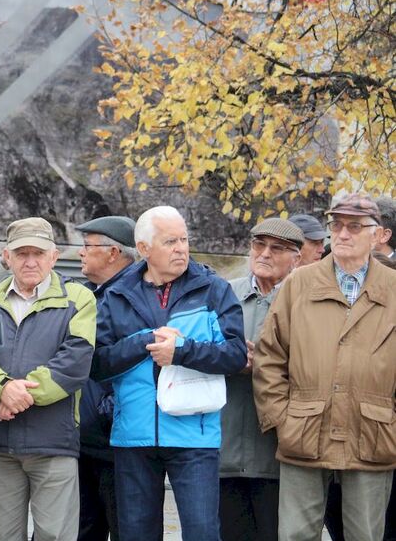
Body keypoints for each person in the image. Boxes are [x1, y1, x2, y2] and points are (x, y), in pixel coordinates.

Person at [91, 205, 246, 541]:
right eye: (170, 241)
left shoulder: (214, 289)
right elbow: (96, 364)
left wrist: (183, 351)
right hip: (134, 436)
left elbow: (235, 356)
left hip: (195, 436)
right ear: (144, 249)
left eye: (184, 239)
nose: (181, 248)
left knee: (203, 533)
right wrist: (144, 342)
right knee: (135, 535)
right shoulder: (115, 295)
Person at [253, 193, 395, 541]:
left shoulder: (393, 289)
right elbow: (269, 356)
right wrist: (281, 418)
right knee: (296, 534)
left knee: (366, 534)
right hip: (303, 428)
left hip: (373, 433)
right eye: (337, 225)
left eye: (354, 226)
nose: (342, 234)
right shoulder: (299, 284)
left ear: (377, 235)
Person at [0, 217, 96, 541]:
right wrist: (2, 388)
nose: (30, 261)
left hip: (54, 441)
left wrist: (17, 396)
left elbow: (75, 360)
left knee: (55, 536)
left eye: (38, 253)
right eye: (21, 253)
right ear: (6, 257)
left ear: (53, 257)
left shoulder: (78, 299)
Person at [219, 218, 303, 541]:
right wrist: (228, 357)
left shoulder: (305, 300)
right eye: (259, 245)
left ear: (296, 258)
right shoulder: (224, 294)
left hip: (279, 456)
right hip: (225, 452)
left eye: (277, 248)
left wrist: (268, 365)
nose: (265, 254)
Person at [74, 215, 137, 541]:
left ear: (113, 252)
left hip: (118, 442)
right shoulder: (86, 294)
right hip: (84, 441)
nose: (80, 253)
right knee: (84, 528)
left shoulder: (136, 296)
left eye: (88, 246)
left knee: (126, 528)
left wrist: (107, 409)